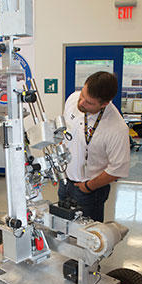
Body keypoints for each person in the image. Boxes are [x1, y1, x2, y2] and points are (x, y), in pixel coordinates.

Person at [58, 71, 130, 222]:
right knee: (62, 229)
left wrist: (89, 187)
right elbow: (66, 130)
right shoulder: (73, 99)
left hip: (89, 190)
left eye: (89, 102)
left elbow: (117, 169)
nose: (81, 103)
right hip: (65, 181)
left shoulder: (116, 127)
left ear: (104, 103)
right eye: (82, 95)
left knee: (88, 238)